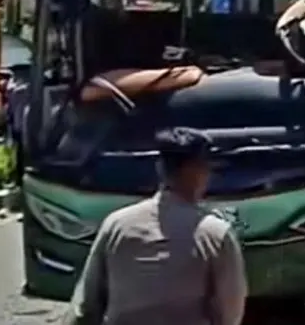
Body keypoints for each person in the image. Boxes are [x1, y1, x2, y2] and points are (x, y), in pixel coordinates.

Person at [63, 127, 248, 325]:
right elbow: (230, 314)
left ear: (159, 169)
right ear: (200, 171)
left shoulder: (116, 225)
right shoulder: (216, 235)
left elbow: (85, 306)